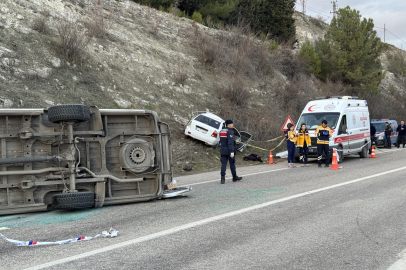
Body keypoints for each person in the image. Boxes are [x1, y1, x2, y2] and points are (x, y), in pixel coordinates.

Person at [219, 120, 242, 184]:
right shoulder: (229, 132)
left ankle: (222, 179)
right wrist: (232, 151)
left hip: (223, 150)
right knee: (232, 164)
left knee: (223, 164)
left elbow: (221, 141)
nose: (233, 125)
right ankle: (234, 177)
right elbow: (230, 143)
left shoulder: (221, 131)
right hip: (229, 150)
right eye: (232, 124)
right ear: (228, 124)